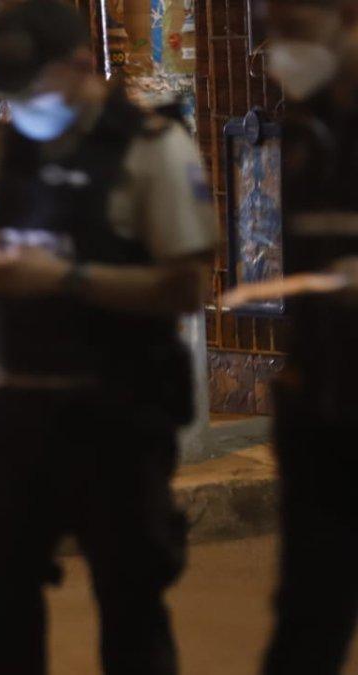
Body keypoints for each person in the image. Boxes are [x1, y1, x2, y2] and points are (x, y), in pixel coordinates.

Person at [0, 1, 217, 673]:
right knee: (0, 609)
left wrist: (65, 279)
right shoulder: (9, 148)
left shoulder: (151, 148)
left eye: (32, 89)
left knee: (132, 614)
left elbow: (187, 287)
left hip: (121, 415)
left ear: (79, 68)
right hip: (23, 409)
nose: (23, 107)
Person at [260, 1, 358, 671]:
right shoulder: (309, 128)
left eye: (298, 23)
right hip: (322, 413)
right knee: (308, 620)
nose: (283, 46)